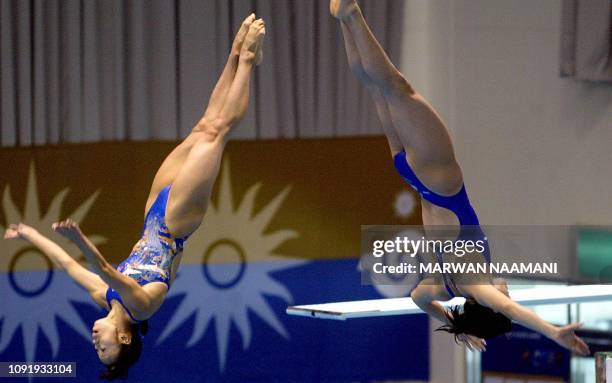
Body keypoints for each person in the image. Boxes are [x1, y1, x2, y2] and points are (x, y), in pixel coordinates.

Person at [4, 14, 266, 380]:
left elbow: (68, 266)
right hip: (177, 223)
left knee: (204, 125)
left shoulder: (104, 298)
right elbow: (109, 271)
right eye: (105, 348)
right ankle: (250, 60)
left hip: (153, 214)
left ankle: (235, 53)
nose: (96, 342)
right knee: (217, 134)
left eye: (97, 349)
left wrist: (29, 235)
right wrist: (78, 236)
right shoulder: (142, 308)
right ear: (125, 338)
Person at [331, 0, 589, 355]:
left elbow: (511, 309)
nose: (507, 291)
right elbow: (418, 298)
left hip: (440, 182)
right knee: (377, 88)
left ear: (490, 304)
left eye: (503, 296)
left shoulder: (478, 286)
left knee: (397, 87)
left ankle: (352, 15)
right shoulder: (443, 288)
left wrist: (552, 331)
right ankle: (346, 20)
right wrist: (453, 322)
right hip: (412, 176)